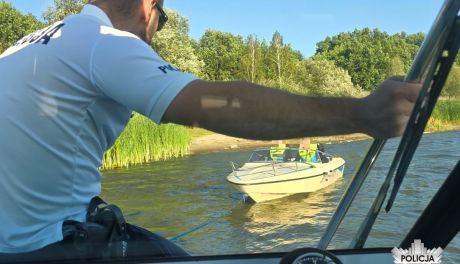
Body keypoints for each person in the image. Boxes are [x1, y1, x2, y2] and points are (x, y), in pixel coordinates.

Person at [0, 0, 422, 262]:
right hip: (49, 248)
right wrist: (363, 114)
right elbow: (224, 104)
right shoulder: (105, 41)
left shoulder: (23, 45)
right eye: (161, 22)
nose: (155, 35)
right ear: (149, 8)